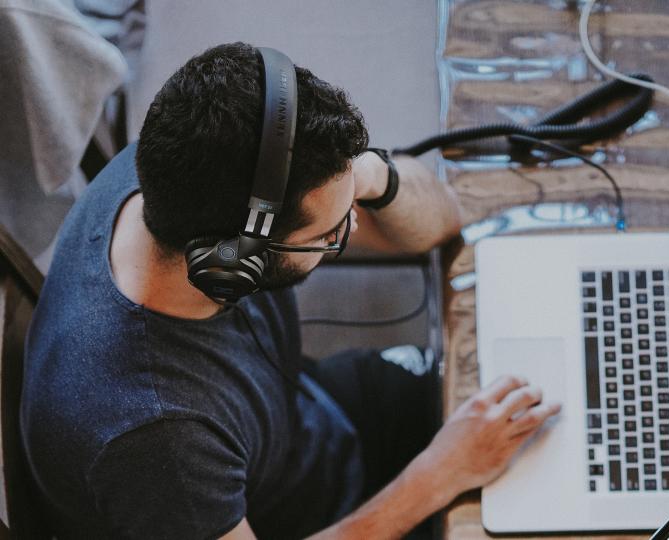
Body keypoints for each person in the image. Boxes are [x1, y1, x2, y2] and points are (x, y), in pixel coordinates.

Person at [21, 42, 561, 539]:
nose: (350, 231)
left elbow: (440, 221)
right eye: (328, 234)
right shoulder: (158, 441)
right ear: (233, 261)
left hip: (311, 421)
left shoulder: (181, 167)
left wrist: (363, 176)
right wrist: (440, 475)